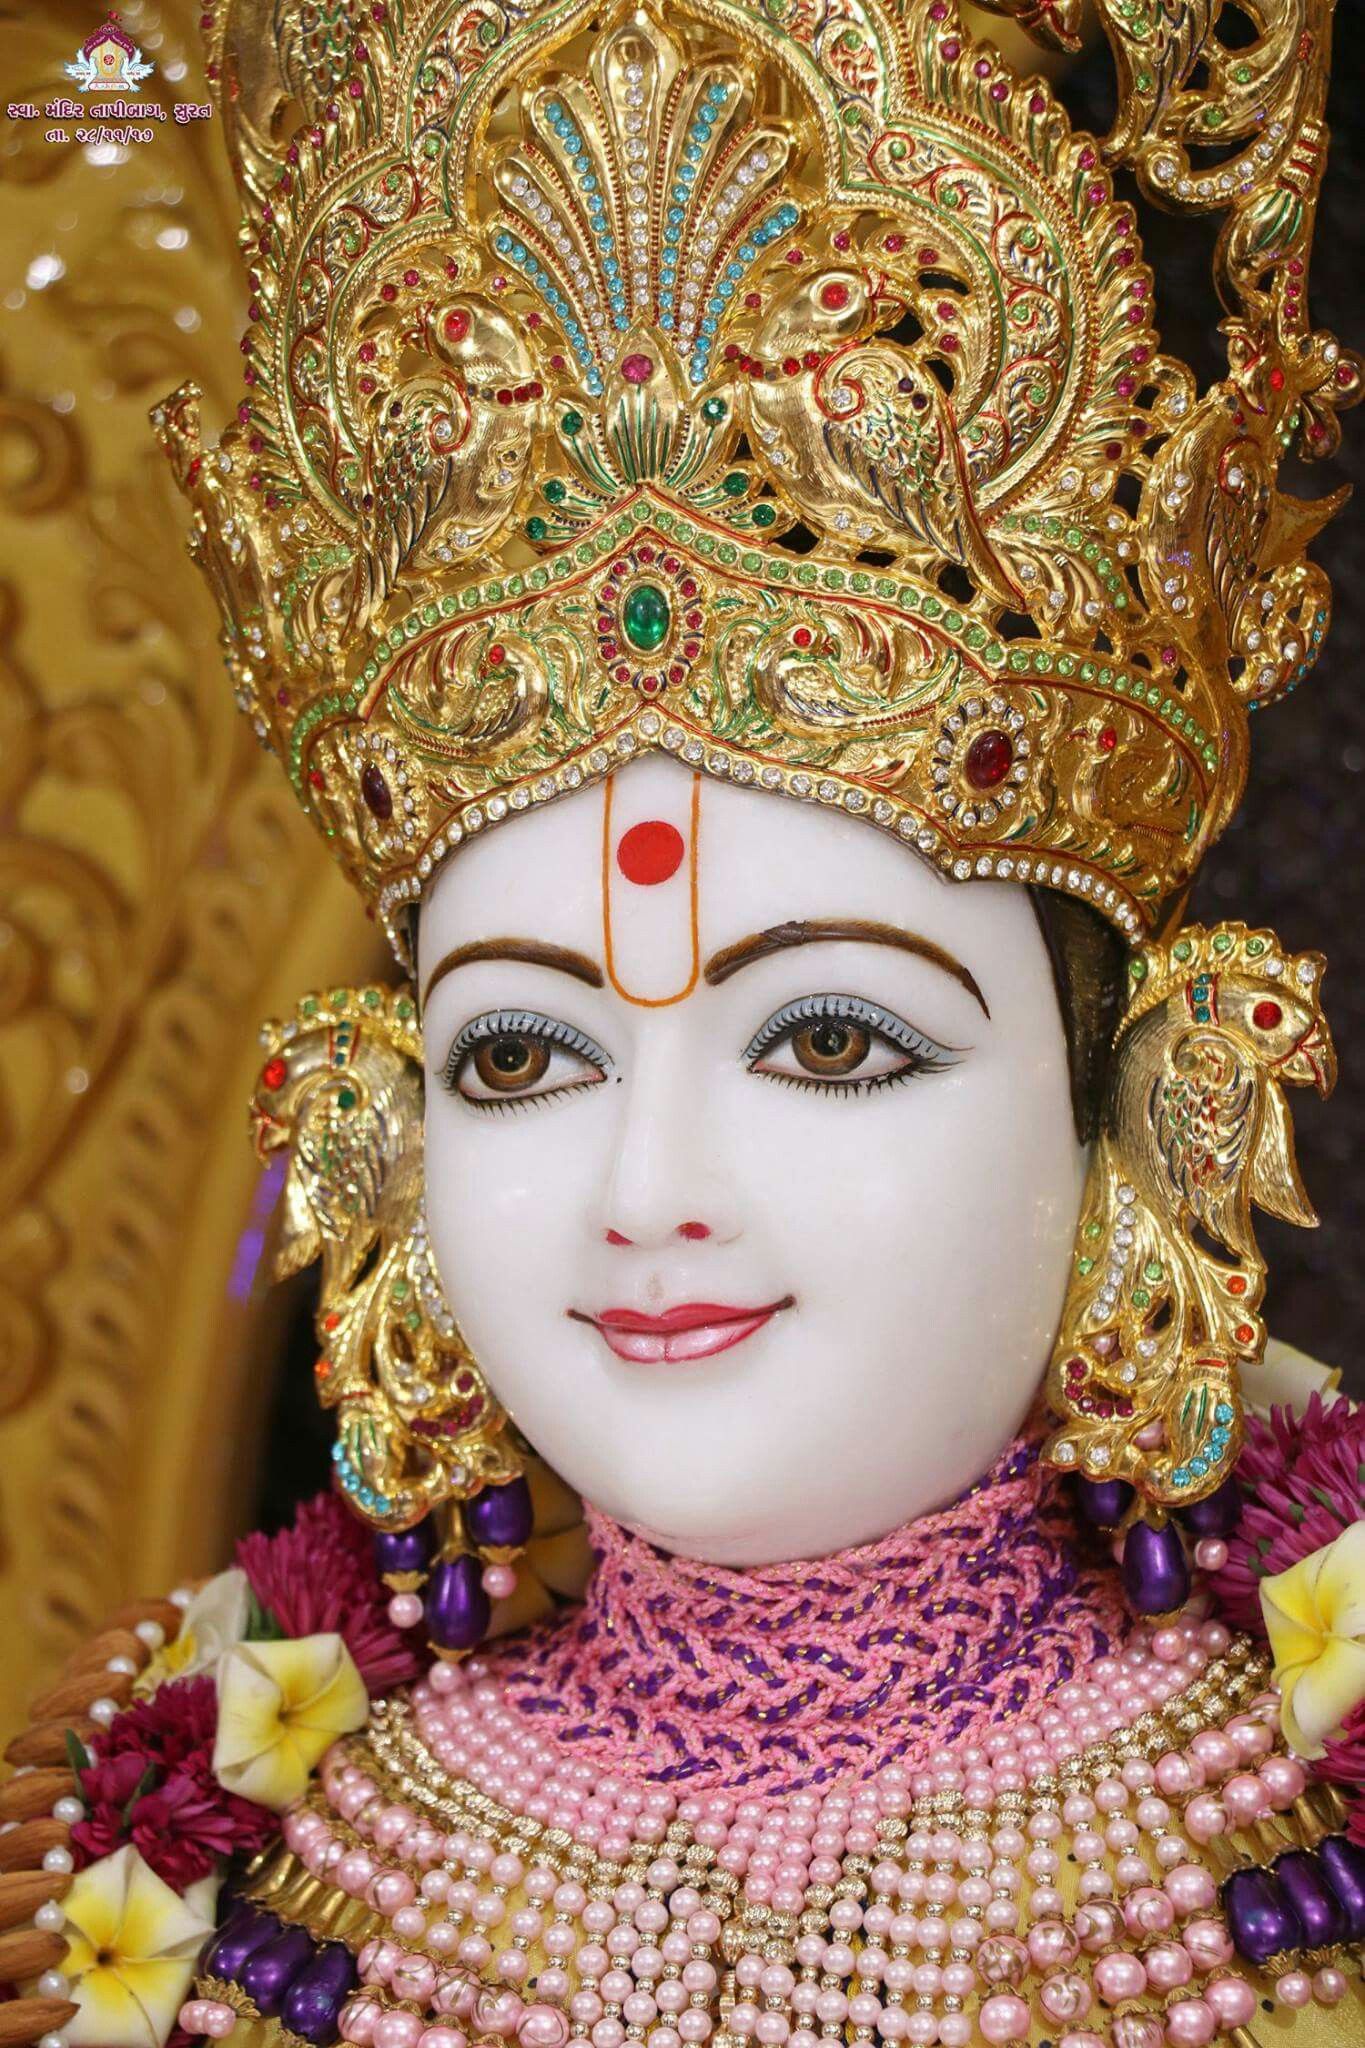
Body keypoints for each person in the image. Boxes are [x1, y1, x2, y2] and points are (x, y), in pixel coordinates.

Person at [3, 0, 1363, 2043]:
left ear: (1151, 1107)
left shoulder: (1298, 1831)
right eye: (519, 1056)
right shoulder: (188, 1864)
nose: (645, 1191)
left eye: (826, 1042)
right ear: (375, 1124)